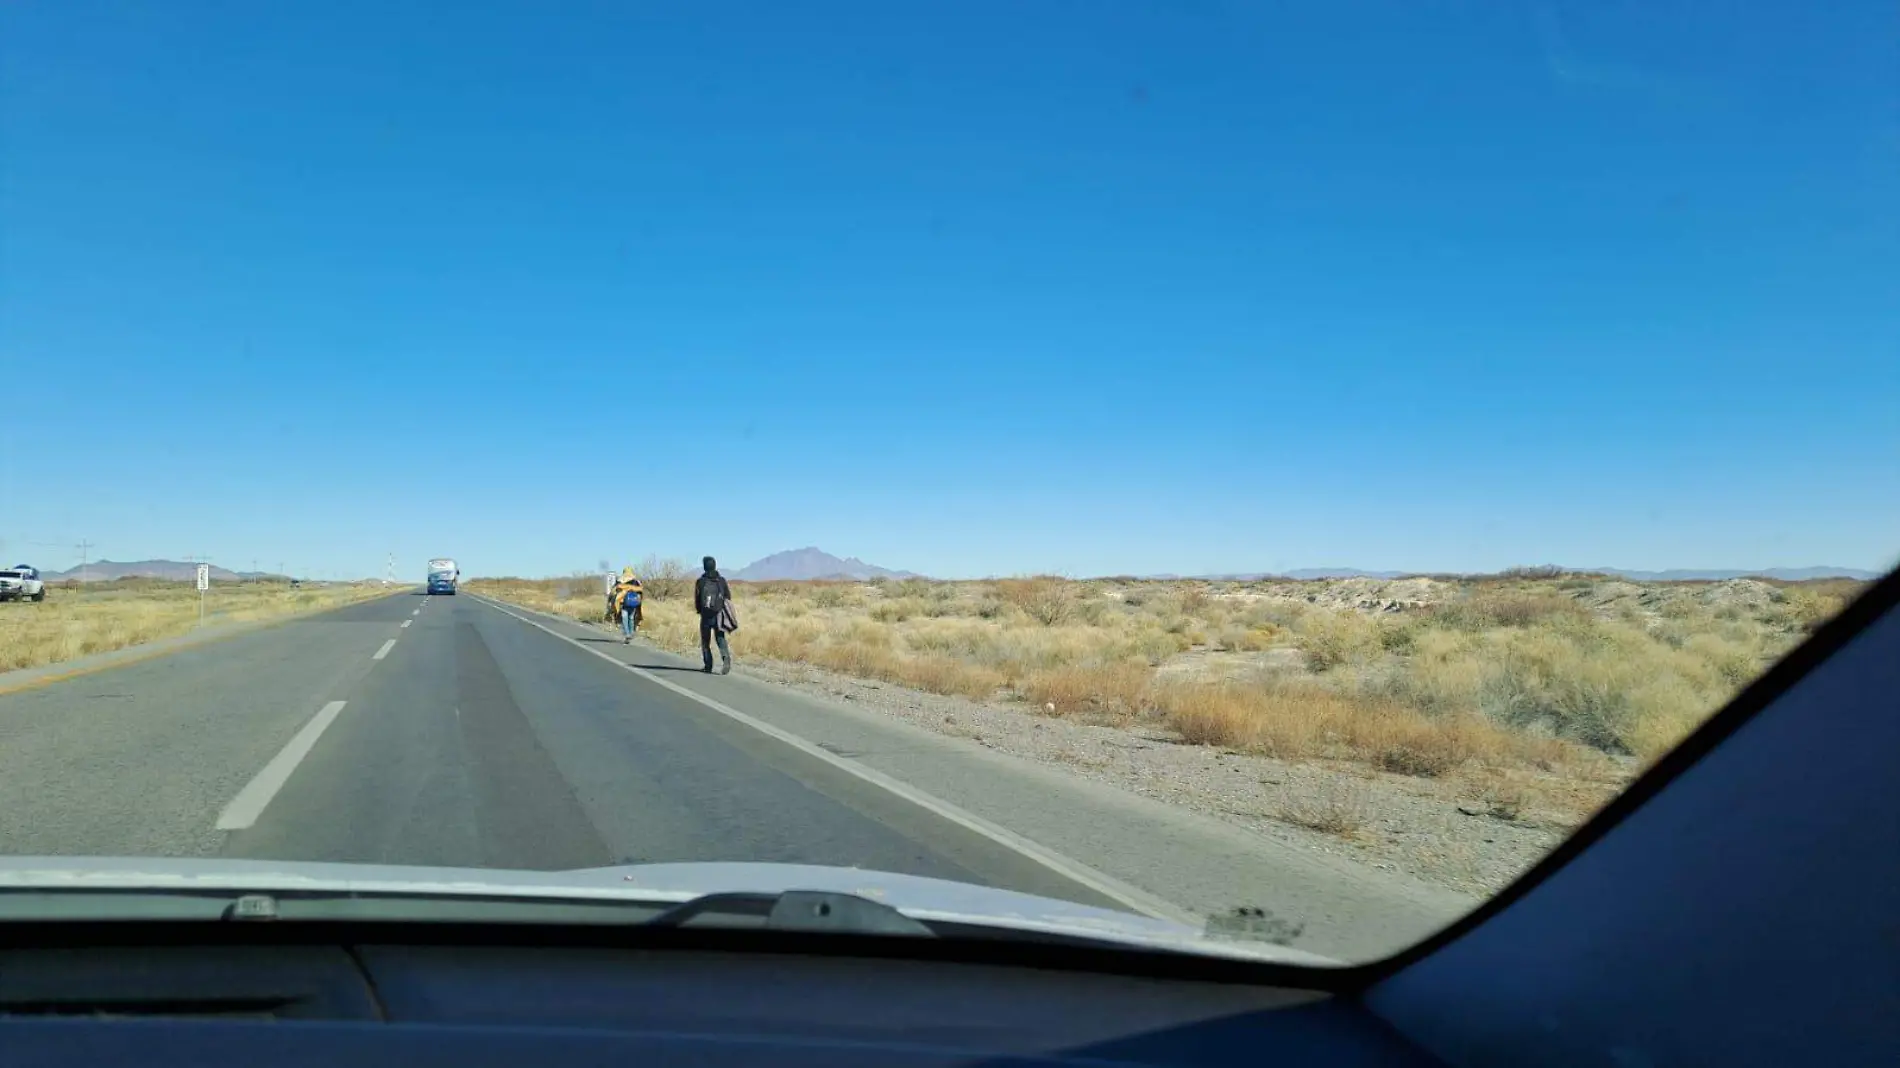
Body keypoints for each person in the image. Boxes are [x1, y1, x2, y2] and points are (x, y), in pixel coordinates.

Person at [694, 555, 734, 673]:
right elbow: (728, 597)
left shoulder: (701, 581)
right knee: (720, 638)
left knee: (705, 641)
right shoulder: (721, 581)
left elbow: (697, 599)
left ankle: (708, 665)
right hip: (719, 614)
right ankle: (726, 659)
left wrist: (700, 610)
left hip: (706, 615)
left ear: (704, 567)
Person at [610, 567, 644, 644]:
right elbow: (640, 590)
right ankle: (630, 633)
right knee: (631, 618)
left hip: (623, 602)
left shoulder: (620, 580)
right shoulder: (636, 581)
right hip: (633, 602)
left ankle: (628, 634)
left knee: (625, 618)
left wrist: (624, 589)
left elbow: (615, 590)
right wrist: (632, 588)